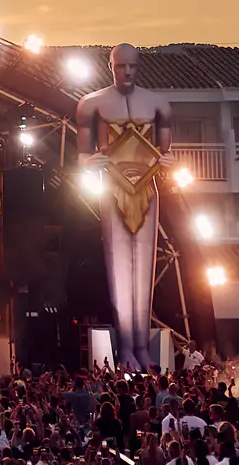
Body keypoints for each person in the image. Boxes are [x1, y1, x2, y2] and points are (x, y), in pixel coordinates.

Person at [76, 43, 174, 371]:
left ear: (139, 65)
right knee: (120, 268)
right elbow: (82, 156)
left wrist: (168, 161)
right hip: (113, 189)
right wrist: (91, 161)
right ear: (111, 66)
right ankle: (127, 348)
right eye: (121, 67)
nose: (127, 73)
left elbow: (165, 152)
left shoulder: (159, 104)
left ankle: (141, 347)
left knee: (143, 268)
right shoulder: (91, 104)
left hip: (146, 189)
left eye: (132, 66)